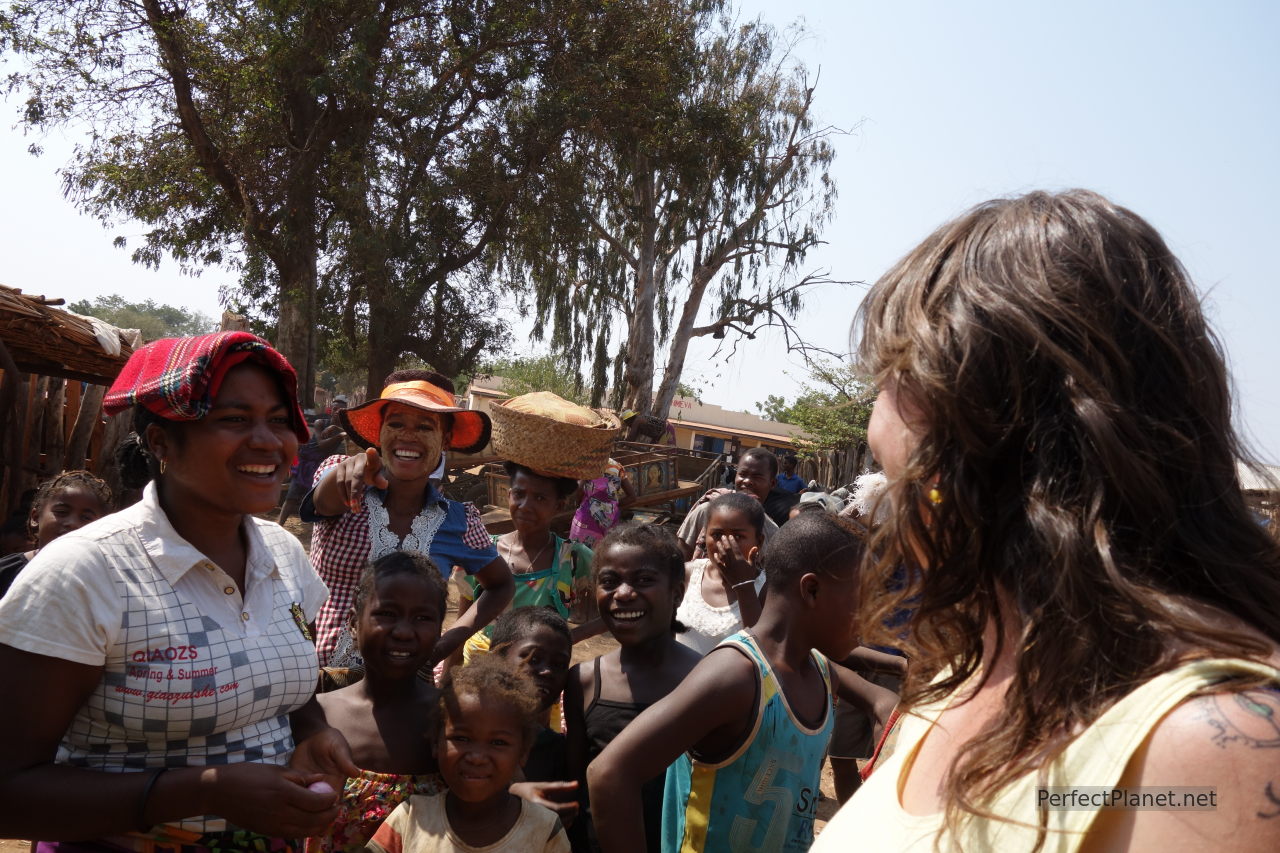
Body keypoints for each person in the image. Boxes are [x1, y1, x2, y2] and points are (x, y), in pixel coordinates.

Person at [815, 190, 1280, 851]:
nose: (874, 420)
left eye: (894, 375)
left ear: (968, 423)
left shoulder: (1215, 746)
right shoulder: (963, 671)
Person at [0, 331, 357, 848]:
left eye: (278, 420)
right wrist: (204, 792)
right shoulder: (85, 573)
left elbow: (282, 685)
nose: (267, 441)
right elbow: (9, 793)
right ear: (162, 442)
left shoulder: (283, 553)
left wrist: (312, 732)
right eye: (234, 419)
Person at [588, 512, 896, 853]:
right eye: (862, 597)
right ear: (811, 589)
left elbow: (882, 700)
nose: (870, 615)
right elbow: (609, 774)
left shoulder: (817, 670)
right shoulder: (737, 676)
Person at [303, 369, 515, 668]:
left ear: (446, 439)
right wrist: (356, 465)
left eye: (425, 427)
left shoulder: (457, 521)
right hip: (318, 682)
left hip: (404, 691)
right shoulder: (345, 481)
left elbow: (501, 585)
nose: (408, 436)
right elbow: (322, 503)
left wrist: (449, 641)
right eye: (396, 423)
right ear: (379, 433)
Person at [564, 523, 702, 853]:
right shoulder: (584, 680)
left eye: (643, 581)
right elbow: (576, 786)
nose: (624, 593)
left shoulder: (706, 680)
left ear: (677, 593)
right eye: (609, 582)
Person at [307, 552, 448, 852]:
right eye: (386, 614)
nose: (403, 631)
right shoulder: (317, 715)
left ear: (439, 631)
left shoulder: (452, 718)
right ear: (353, 623)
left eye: (422, 618)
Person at [366, 655, 571, 853]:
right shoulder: (411, 818)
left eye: (498, 742)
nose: (477, 757)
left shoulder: (544, 830)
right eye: (462, 738)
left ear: (522, 753)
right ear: (436, 744)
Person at [455, 463, 599, 664]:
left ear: (559, 506)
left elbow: (616, 602)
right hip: (476, 680)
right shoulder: (482, 552)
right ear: (509, 495)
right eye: (519, 494)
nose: (525, 506)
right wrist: (446, 681)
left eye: (540, 498)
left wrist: (567, 639)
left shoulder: (572, 557)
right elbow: (461, 627)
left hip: (537, 682)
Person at [674, 492, 765, 656]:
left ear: (758, 541)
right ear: (704, 535)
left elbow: (762, 650)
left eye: (738, 536)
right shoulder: (687, 575)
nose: (726, 544)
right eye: (717, 535)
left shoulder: (767, 588)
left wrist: (743, 585)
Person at [0, 469, 112, 599]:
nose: (72, 523)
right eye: (62, 512)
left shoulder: (102, 581)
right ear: (36, 518)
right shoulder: (6, 572)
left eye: (86, 517)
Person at [676, 447, 781, 560]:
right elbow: (680, 561)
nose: (747, 481)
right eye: (743, 474)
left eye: (757, 477)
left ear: (773, 483)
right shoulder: (706, 511)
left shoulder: (771, 530)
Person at [279, 415, 347, 527]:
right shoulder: (320, 423)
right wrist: (340, 435)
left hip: (321, 465)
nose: (337, 412)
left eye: (340, 410)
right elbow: (322, 445)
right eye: (335, 409)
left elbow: (350, 434)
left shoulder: (343, 427)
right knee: (292, 496)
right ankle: (280, 525)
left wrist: (336, 428)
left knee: (315, 498)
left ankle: (314, 529)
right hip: (306, 463)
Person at [569, 457, 636, 548]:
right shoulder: (618, 467)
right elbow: (632, 497)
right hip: (610, 520)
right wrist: (613, 507)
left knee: (579, 554)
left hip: (587, 517)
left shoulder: (587, 464)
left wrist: (578, 503)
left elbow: (579, 489)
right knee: (604, 554)